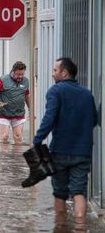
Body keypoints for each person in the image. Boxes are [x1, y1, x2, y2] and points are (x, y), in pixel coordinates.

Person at [32, 57, 97, 231]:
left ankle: (60, 227)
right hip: (82, 152)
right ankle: (80, 228)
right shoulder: (87, 93)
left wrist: (37, 139)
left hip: (60, 151)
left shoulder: (56, 91)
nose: (53, 74)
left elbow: (49, 118)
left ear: (64, 73)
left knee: (60, 193)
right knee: (79, 192)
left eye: (55, 70)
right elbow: (94, 120)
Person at [0, 61, 30, 144]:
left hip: (19, 113)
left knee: (18, 136)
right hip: (4, 113)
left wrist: (30, 109)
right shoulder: (3, 80)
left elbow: (26, 96)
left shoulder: (25, 81)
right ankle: (4, 156)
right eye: (18, 74)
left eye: (22, 74)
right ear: (13, 71)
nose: (20, 77)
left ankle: (17, 156)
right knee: (5, 136)